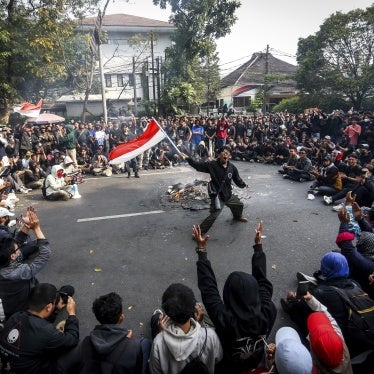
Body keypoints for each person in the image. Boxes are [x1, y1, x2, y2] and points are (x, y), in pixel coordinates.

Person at [192, 222, 277, 373]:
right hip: (254, 359)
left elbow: (209, 290)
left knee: (199, 309)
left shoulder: (225, 319)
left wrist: (201, 250)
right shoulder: (268, 311)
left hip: (228, 364)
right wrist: (258, 248)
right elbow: (263, 283)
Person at [0, 283, 79, 373]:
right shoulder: (47, 331)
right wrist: (72, 315)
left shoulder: (16, 316)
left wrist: (54, 309)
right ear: (49, 307)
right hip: (35, 370)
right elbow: (72, 338)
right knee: (79, 346)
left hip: (12, 364)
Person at [149, 283, 223, 374]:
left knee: (155, 318)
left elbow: (154, 371)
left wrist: (161, 333)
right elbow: (218, 359)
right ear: (193, 309)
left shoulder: (158, 343)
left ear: (168, 313)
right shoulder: (210, 335)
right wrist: (198, 324)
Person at [180, 145, 248, 235]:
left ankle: (237, 216)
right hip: (218, 196)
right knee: (213, 216)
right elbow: (197, 166)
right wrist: (188, 159)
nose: (225, 154)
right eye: (223, 152)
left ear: (229, 156)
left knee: (239, 205)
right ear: (219, 155)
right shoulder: (212, 165)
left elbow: (237, 179)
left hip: (228, 195)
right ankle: (199, 233)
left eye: (227, 153)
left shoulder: (232, 167)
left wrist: (243, 184)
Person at [78, 292, 150, 374]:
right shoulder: (133, 345)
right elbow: (137, 369)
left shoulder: (86, 342)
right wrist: (127, 342)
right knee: (145, 343)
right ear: (121, 317)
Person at [0, 207, 51, 319]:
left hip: (9, 308)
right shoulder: (19, 272)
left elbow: (16, 243)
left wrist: (27, 225)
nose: (18, 247)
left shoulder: (4, 261)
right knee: (53, 290)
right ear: (12, 256)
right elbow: (45, 254)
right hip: (23, 312)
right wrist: (36, 228)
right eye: (17, 249)